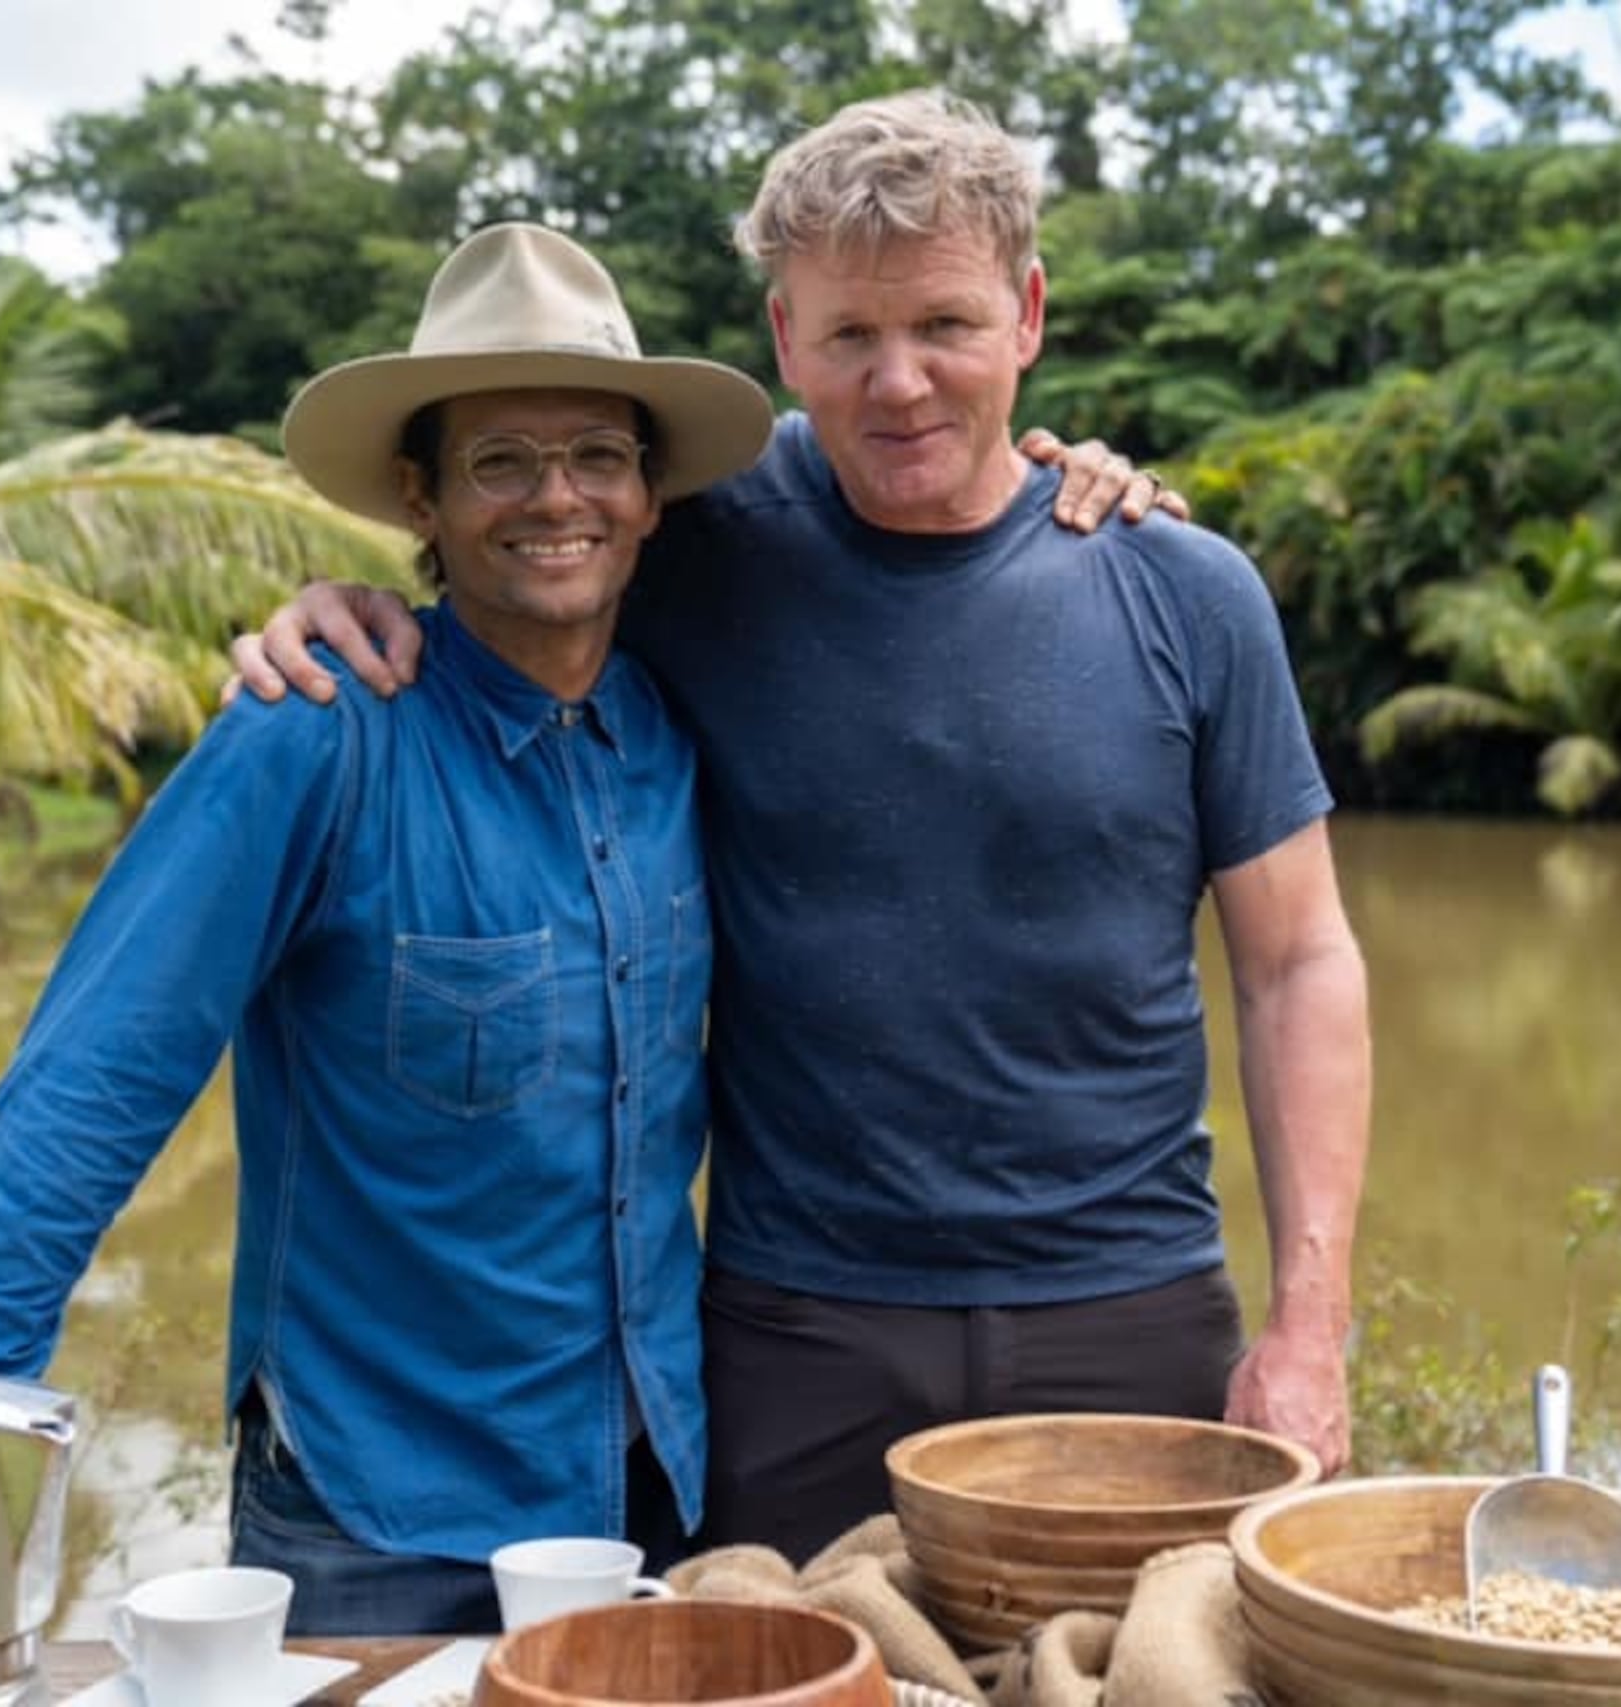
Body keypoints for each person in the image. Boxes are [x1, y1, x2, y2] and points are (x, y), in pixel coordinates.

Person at [235, 90, 1374, 1566]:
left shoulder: (1181, 588)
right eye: (849, 337)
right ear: (783, 340)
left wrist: (1311, 1322)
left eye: (947, 328)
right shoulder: (698, 545)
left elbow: (1300, 965)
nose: (900, 383)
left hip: (1133, 1310)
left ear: (1027, 315)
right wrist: (345, 610)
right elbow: (517, 562)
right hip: (794, 1332)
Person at [0, 223, 779, 1633]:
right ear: (419, 500)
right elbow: (98, 1075)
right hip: (377, 1513)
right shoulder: (314, 737)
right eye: (501, 462)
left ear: (652, 495)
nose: (558, 498)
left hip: (647, 1483)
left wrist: (1062, 478)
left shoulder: (670, 736)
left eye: (598, 457)